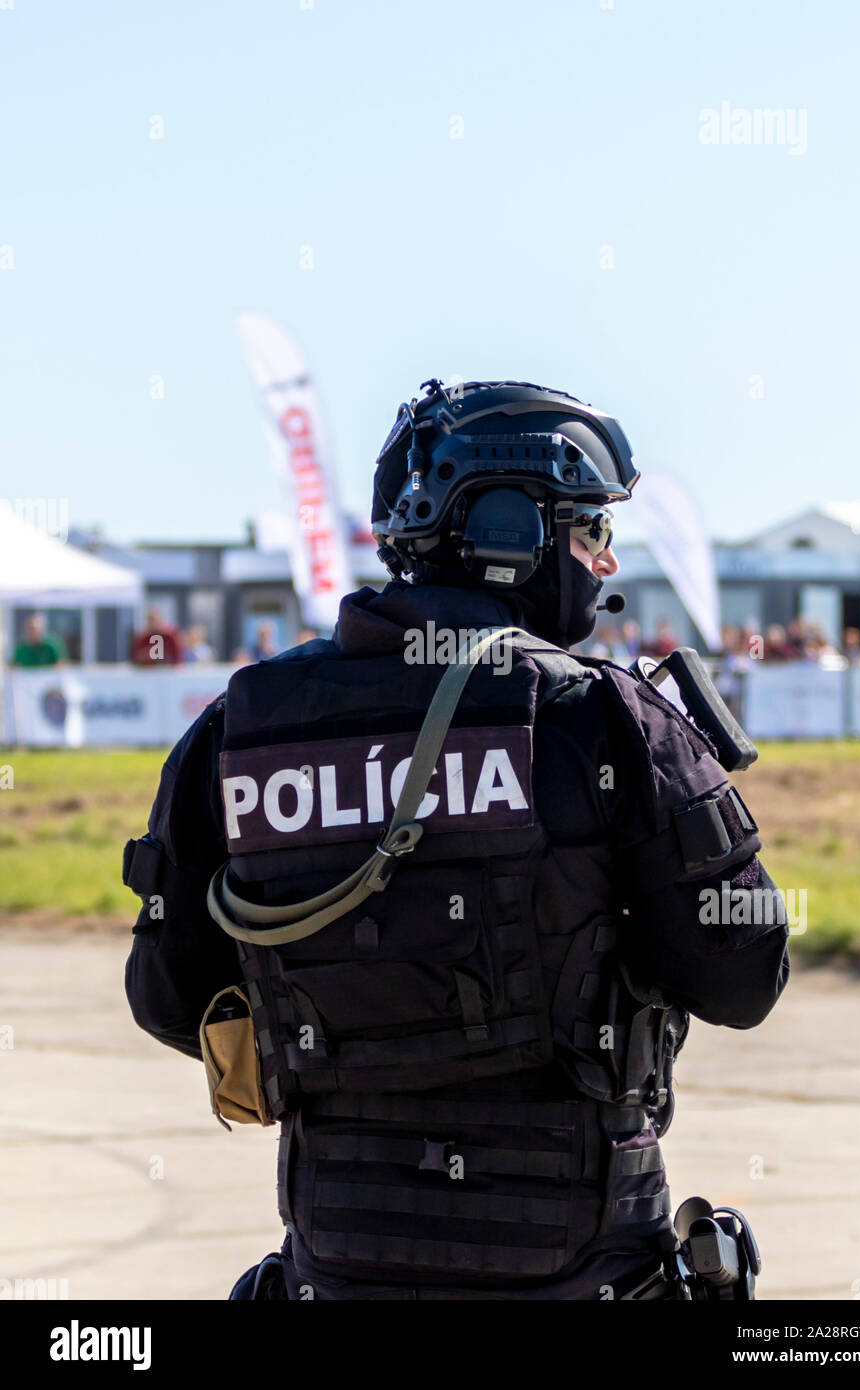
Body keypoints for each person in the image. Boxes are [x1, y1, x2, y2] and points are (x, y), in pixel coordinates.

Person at [123, 378, 789, 1301]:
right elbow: (743, 976)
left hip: (340, 1264)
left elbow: (166, 997)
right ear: (512, 531)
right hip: (575, 1270)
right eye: (588, 528)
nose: (602, 563)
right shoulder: (602, 716)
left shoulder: (240, 724)